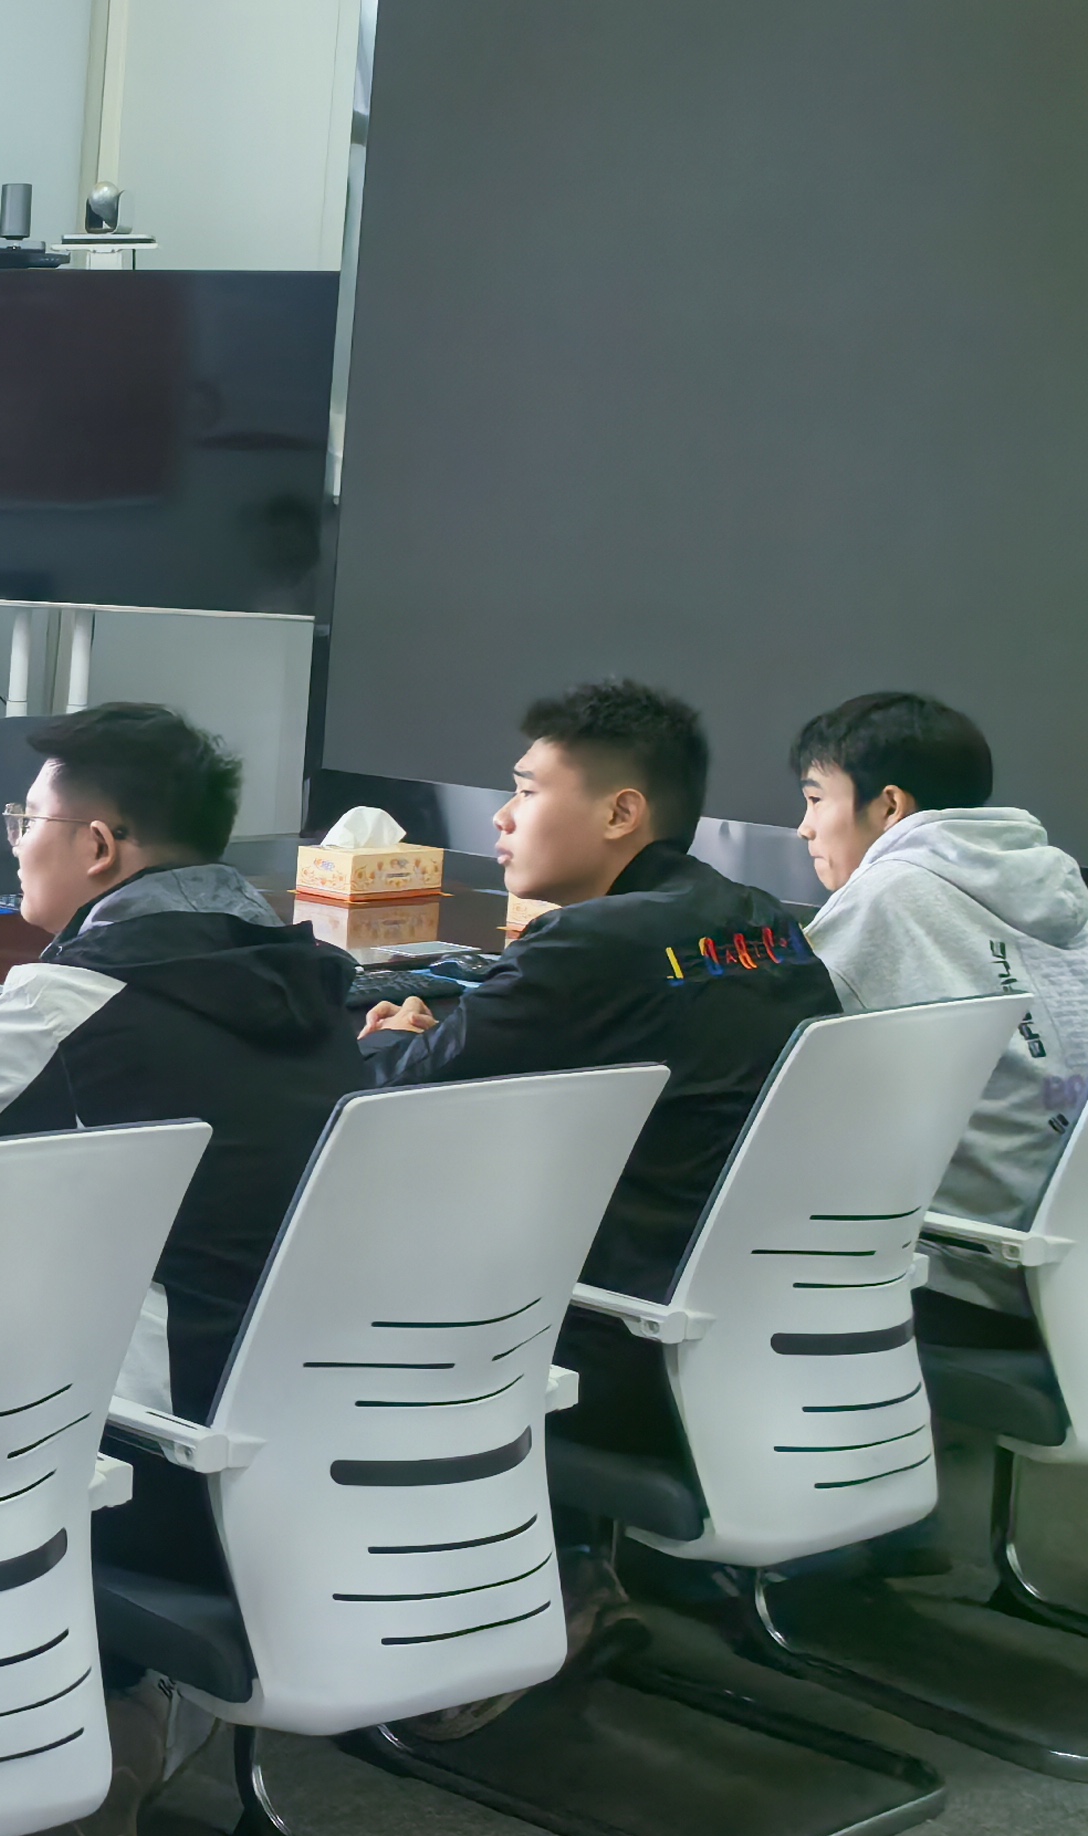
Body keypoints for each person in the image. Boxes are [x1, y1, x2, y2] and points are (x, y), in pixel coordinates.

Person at [0, 702, 366, 1836]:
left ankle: (77, 1705)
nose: (16, 843)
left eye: (29, 820)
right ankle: (121, 1706)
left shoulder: (77, 998)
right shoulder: (315, 986)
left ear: (100, 847)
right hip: (328, 1441)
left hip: (152, 1472)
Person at [355, 679, 837, 1724]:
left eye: (528, 790)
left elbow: (405, 1098)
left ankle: (500, 1599)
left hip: (619, 1347)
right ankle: (569, 1572)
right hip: (774, 1331)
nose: (501, 816)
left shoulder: (590, 946)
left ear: (621, 813)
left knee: (354, 1268)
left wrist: (393, 1037)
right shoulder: (764, 925)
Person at [793, 691, 1088, 1326]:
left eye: (815, 799)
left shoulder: (889, 894)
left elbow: (770, 1060)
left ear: (889, 806)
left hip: (965, 1278)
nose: (804, 827)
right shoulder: (1055, 894)